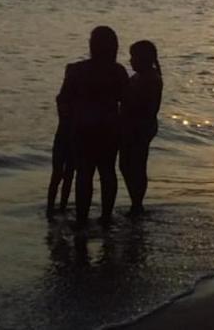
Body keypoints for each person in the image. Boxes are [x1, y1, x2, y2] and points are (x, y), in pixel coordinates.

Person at [56, 25, 130, 227]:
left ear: (91, 45)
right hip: (109, 128)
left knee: (84, 173)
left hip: (83, 128)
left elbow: (63, 100)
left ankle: (82, 218)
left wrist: (65, 124)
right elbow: (127, 102)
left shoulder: (76, 70)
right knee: (107, 172)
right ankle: (106, 216)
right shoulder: (118, 72)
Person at [120, 40, 163, 216]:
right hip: (133, 126)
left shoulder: (151, 79)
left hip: (140, 127)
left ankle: (137, 204)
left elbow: (141, 105)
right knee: (127, 165)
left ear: (144, 58)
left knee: (136, 165)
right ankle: (135, 202)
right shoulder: (140, 77)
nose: (131, 61)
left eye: (134, 57)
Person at [45, 89, 75, 219]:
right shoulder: (73, 101)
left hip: (63, 138)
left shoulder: (62, 99)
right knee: (65, 175)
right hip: (70, 139)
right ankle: (58, 206)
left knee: (60, 175)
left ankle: (54, 207)